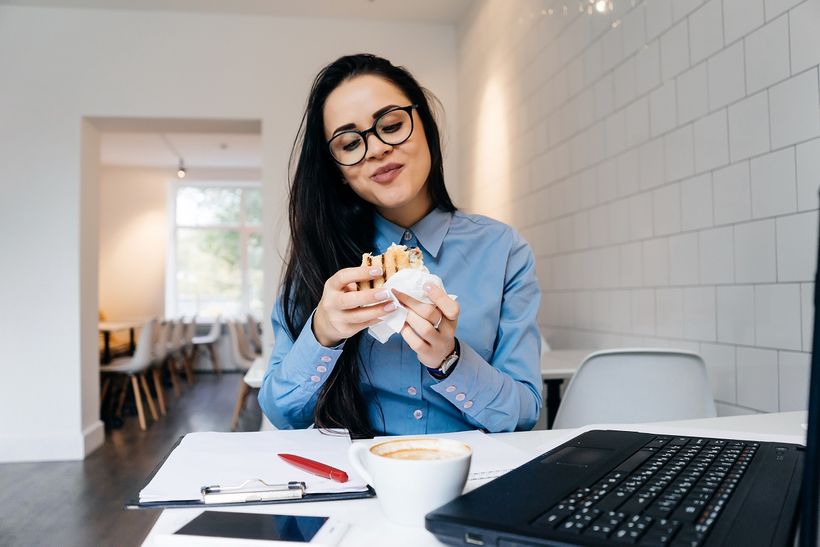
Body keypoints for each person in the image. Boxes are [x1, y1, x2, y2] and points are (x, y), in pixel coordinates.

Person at [258, 53, 542, 438]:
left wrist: (450, 360)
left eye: (391, 125)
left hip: (473, 468)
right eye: (349, 144)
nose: (376, 149)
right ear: (337, 170)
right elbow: (282, 414)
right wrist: (323, 332)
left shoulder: (502, 250)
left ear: (425, 126)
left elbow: (525, 413)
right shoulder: (319, 256)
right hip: (355, 470)